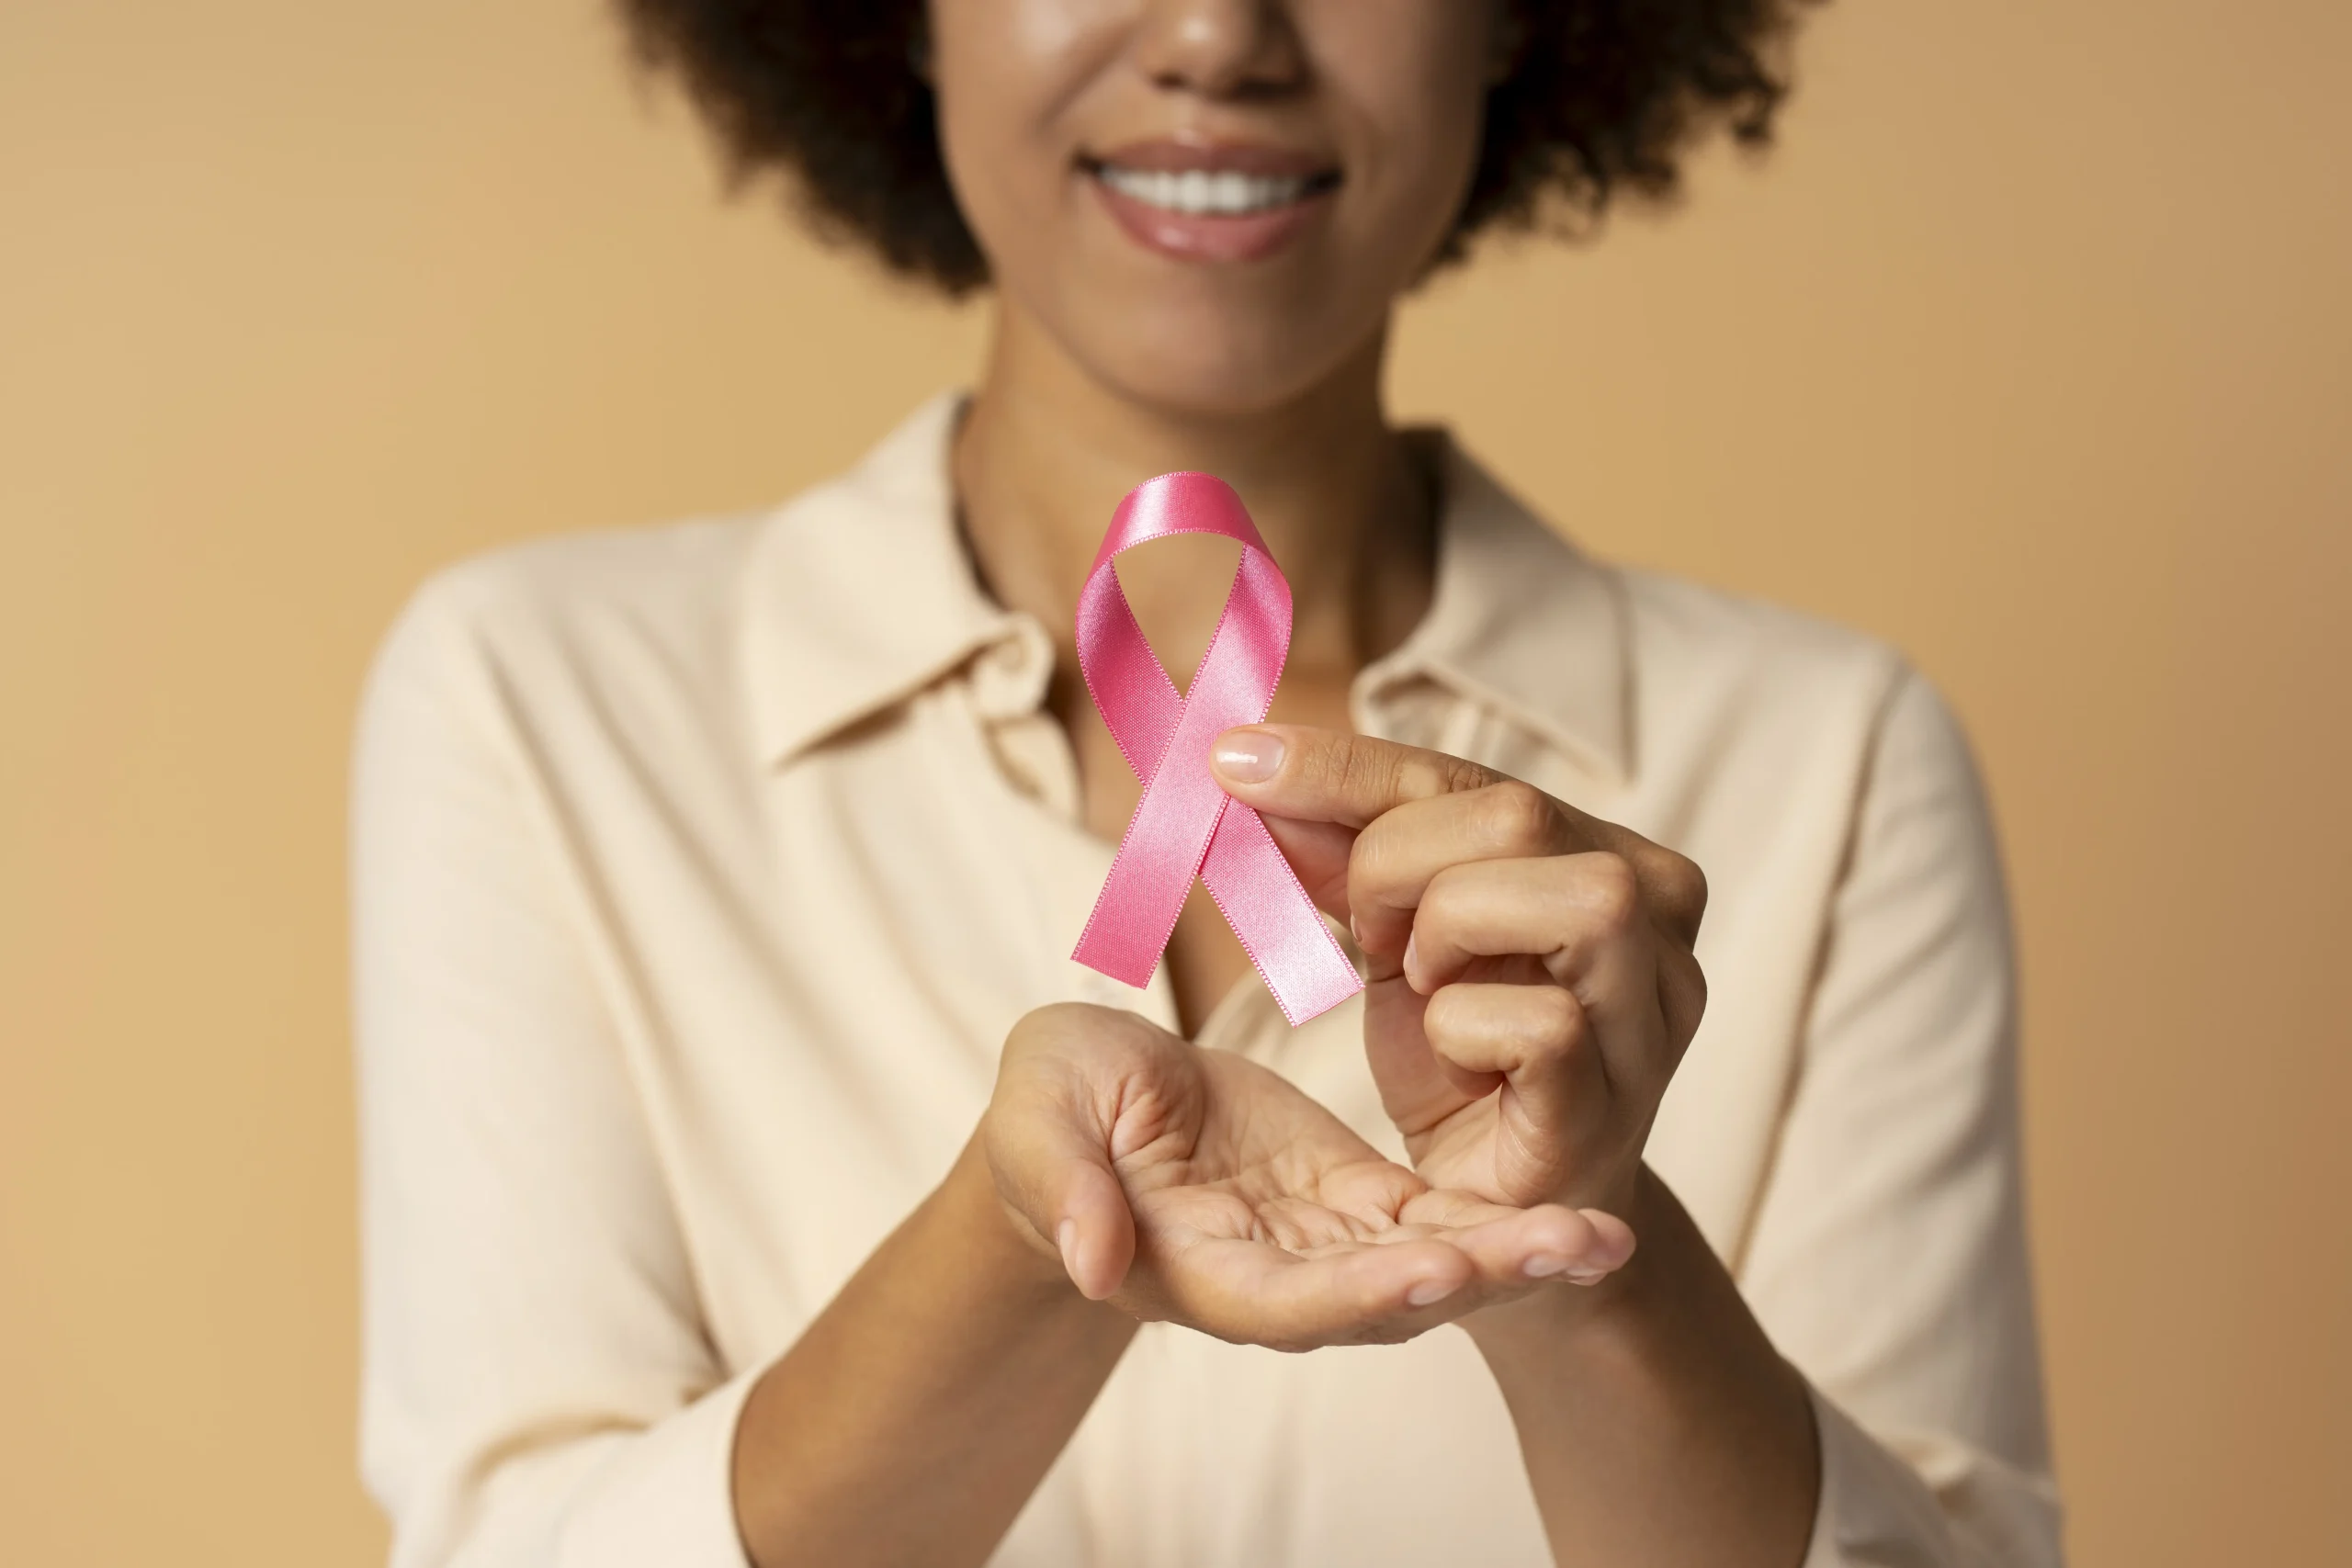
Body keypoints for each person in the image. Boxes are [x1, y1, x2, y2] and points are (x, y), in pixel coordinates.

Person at [353, 4, 2059, 1565]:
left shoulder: (1833, 762)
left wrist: (1594, 1263)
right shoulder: (540, 701)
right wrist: (1016, 1250)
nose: (1219, 33)